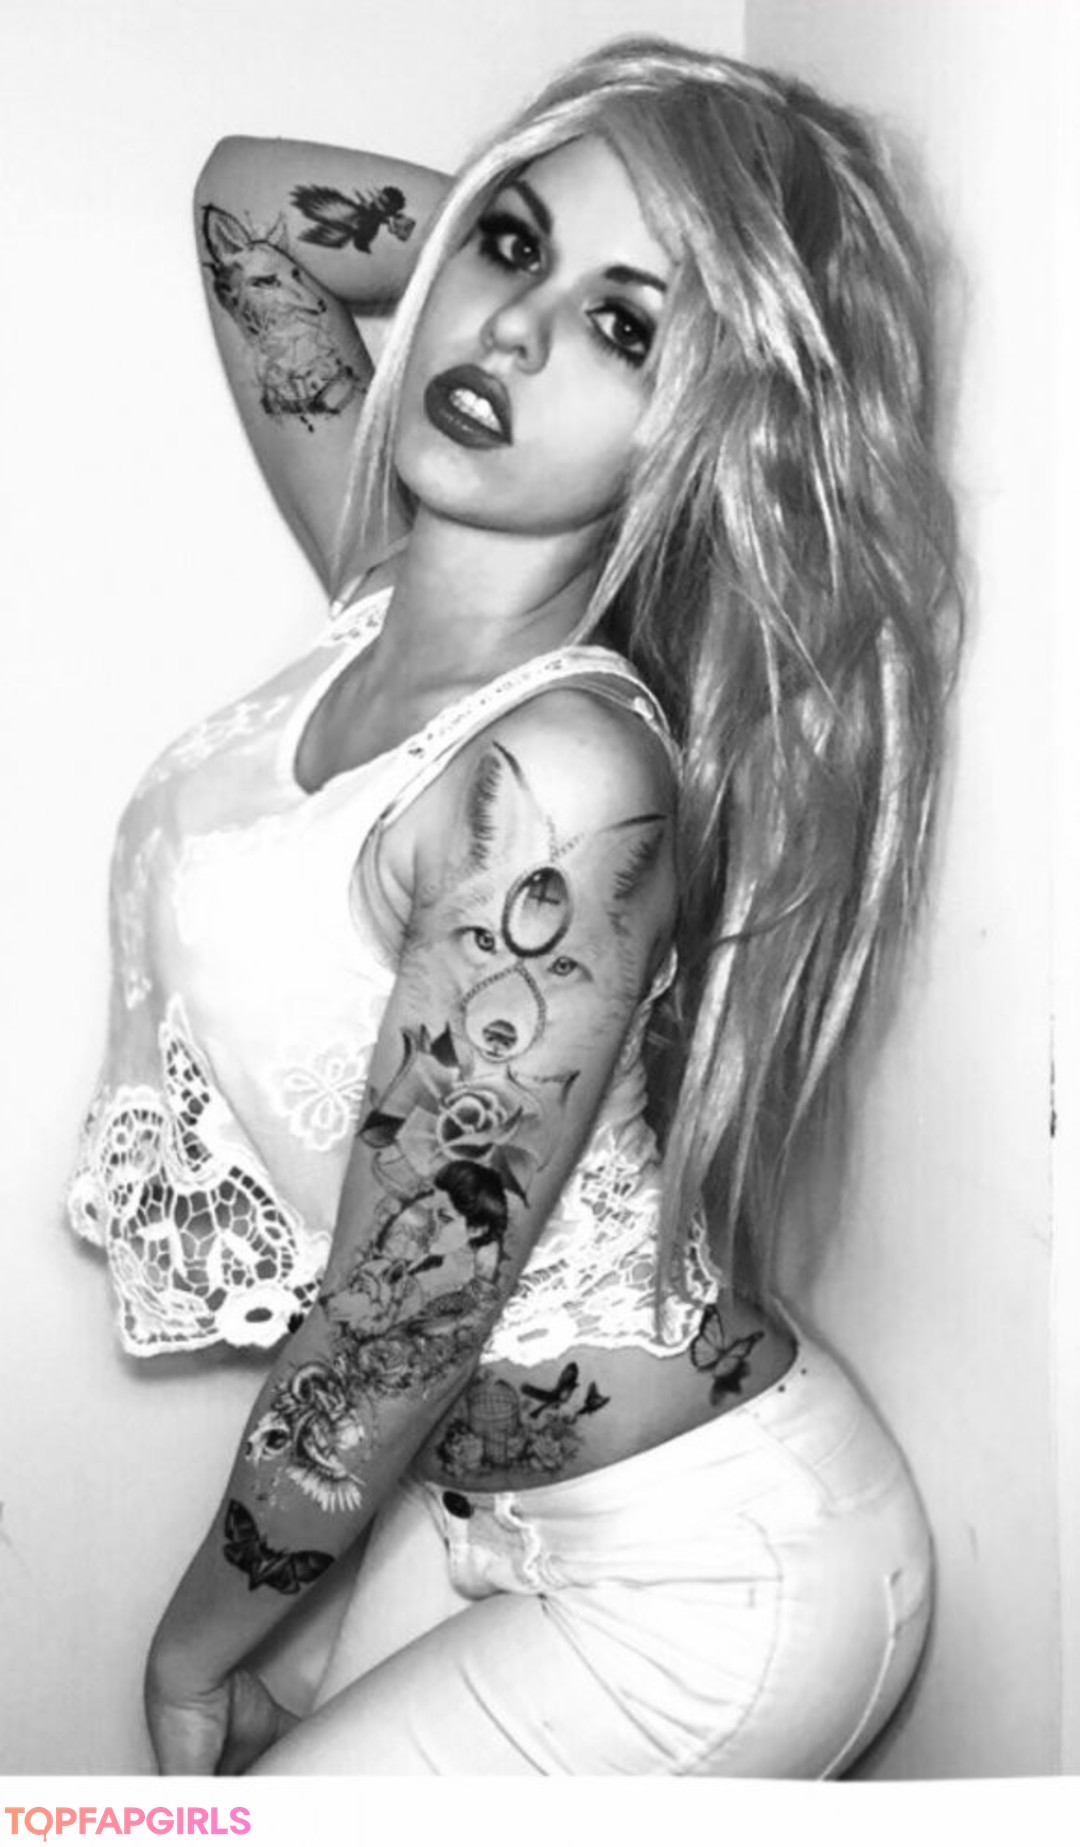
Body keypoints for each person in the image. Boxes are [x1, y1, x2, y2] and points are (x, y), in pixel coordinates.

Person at [67, 36, 958, 1776]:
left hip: (707, 1570)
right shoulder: (382, 586)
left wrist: (192, 1646)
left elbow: (396, 1323)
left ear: (713, 420)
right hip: (475, 1505)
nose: (516, 334)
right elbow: (255, 202)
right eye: (509, 248)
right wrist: (580, 232)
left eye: (628, 330)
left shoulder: (555, 781)